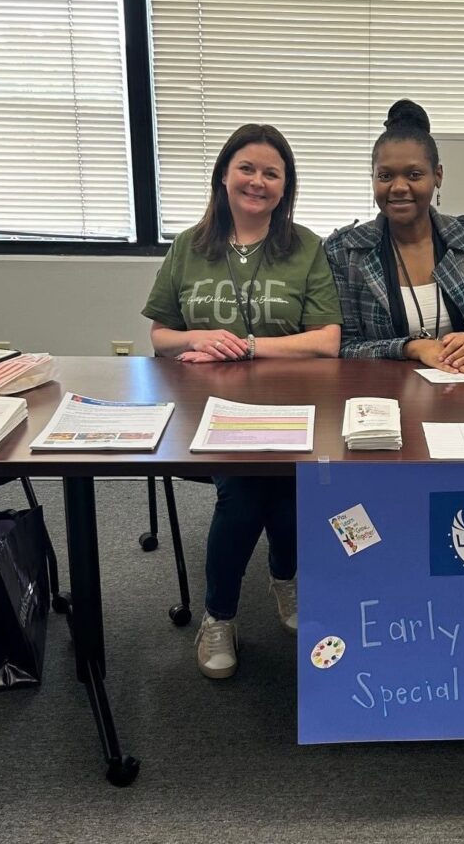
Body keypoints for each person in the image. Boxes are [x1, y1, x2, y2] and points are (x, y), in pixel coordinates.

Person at [142, 124, 343, 679]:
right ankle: (226, 614)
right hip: (209, 409)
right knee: (250, 494)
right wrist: (197, 338)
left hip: (290, 405)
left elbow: (327, 340)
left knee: (268, 492)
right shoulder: (189, 245)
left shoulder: (305, 246)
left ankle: (275, 586)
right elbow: (160, 336)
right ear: (224, 176)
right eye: (247, 169)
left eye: (271, 173)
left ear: (285, 186)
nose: (257, 181)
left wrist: (251, 346)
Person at [325, 99, 464, 373]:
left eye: (414, 174)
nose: (399, 187)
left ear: (438, 176)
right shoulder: (345, 251)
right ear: (373, 178)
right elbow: (343, 348)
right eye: (385, 176)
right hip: (386, 403)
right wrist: (410, 348)